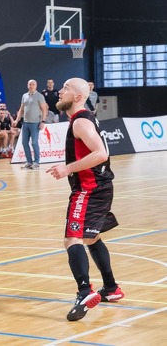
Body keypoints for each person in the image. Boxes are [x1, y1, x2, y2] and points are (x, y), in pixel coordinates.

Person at [47, 78, 124, 321]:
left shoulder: (80, 121)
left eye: (66, 88)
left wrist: (68, 168)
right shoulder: (82, 119)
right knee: (91, 237)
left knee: (72, 238)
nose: (60, 91)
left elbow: (100, 154)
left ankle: (84, 292)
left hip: (89, 190)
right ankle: (111, 288)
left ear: (78, 96)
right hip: (100, 187)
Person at [13, 80, 47, 169]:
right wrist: (17, 120)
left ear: (36, 85)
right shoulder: (24, 96)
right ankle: (29, 162)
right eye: (30, 84)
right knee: (24, 142)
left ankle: (36, 162)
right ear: (27, 85)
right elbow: (21, 109)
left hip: (35, 123)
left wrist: (43, 121)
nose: (31, 86)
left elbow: (44, 109)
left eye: (33, 84)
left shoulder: (39, 96)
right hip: (25, 123)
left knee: (34, 142)